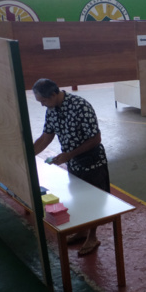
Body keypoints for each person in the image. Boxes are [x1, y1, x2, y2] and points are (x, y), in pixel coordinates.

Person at [32, 79, 110, 256]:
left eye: (43, 101)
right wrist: (28, 154)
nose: (43, 105)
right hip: (73, 161)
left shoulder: (80, 106)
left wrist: (69, 155)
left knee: (94, 199)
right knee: (78, 197)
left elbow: (95, 139)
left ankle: (92, 236)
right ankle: (82, 231)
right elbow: (46, 136)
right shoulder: (52, 110)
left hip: (92, 160)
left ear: (53, 94)